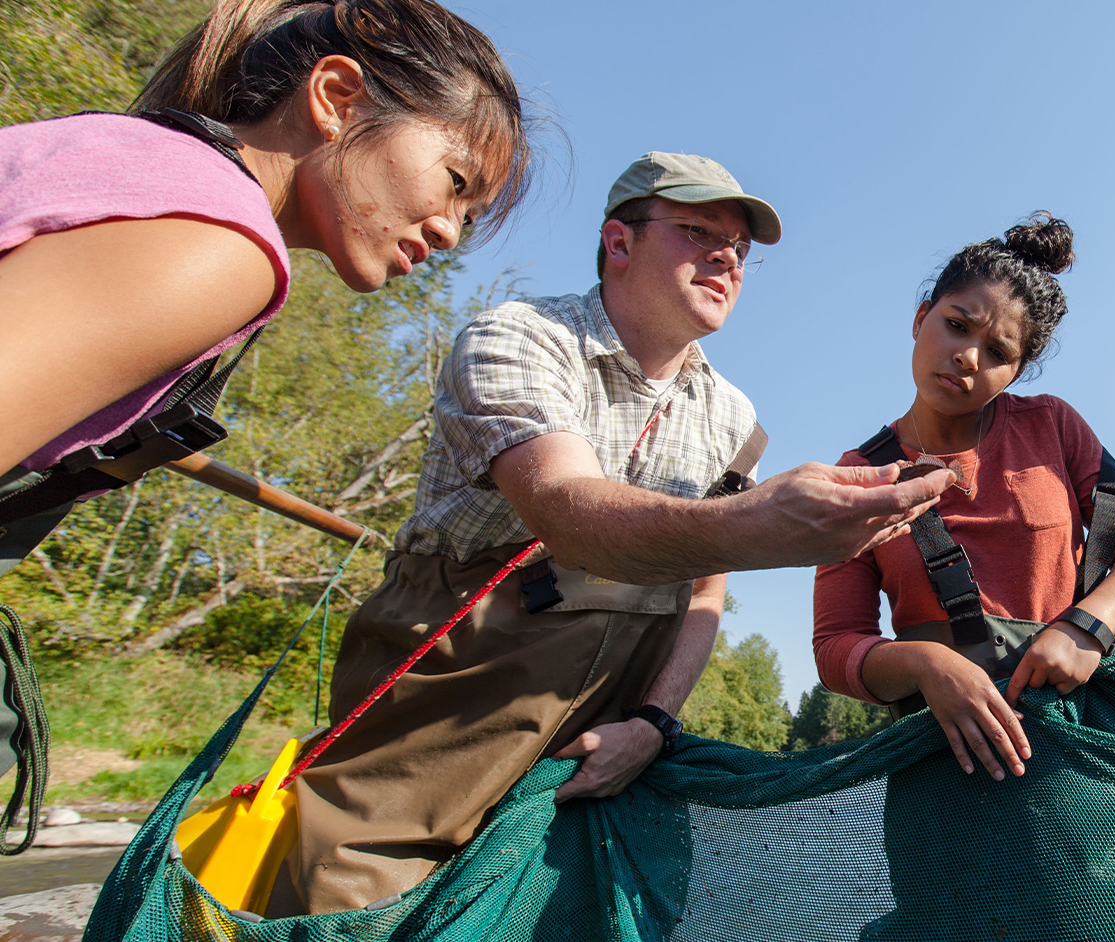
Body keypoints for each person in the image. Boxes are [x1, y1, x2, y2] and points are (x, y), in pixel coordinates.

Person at [274, 152, 954, 915]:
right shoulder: (518, 338)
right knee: (347, 908)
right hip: (445, 700)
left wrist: (655, 724)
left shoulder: (734, 418)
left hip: (615, 731)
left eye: (739, 249)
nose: (726, 258)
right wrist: (765, 528)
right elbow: (568, 515)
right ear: (618, 242)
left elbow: (704, 586)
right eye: (699, 231)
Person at [0, 0, 530, 781]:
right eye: (455, 183)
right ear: (336, 97)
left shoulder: (147, 162)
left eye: (470, 215)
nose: (450, 231)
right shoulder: (221, 241)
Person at [812, 216, 1115, 941]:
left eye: (998, 352)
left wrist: (1087, 626)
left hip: (1087, 759)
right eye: (956, 326)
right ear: (921, 317)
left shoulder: (1054, 426)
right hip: (944, 775)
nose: (967, 357)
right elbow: (836, 649)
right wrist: (926, 665)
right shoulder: (857, 476)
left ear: (1018, 371)